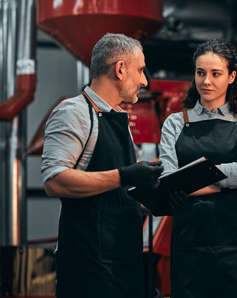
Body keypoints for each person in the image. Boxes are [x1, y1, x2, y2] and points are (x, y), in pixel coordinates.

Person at [41, 33, 163, 298]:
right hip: (91, 269)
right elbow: (55, 180)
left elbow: (113, 195)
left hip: (124, 263)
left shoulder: (118, 119)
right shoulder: (73, 113)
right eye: (140, 70)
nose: (144, 80)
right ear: (120, 69)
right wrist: (124, 175)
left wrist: (152, 198)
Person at [159, 39, 237, 298]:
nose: (206, 81)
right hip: (190, 242)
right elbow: (168, 180)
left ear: (231, 77)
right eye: (200, 73)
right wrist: (219, 178)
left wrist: (191, 184)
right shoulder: (175, 123)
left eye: (215, 74)